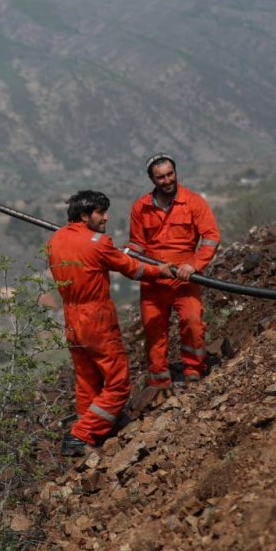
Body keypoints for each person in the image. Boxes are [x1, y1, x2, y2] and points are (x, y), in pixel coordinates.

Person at [47, 190, 172, 457]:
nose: (106, 217)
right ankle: (80, 434)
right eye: (100, 213)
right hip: (96, 318)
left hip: (70, 318)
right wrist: (159, 271)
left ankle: (98, 427)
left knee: (87, 380)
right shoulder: (98, 243)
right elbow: (132, 268)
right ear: (84, 216)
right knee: (118, 383)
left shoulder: (55, 240)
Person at [127, 153, 220, 391]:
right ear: (151, 179)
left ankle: (193, 370)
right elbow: (137, 243)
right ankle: (159, 381)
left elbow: (210, 238)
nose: (167, 180)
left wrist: (194, 265)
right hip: (153, 278)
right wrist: (127, 254)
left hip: (184, 277)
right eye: (161, 177)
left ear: (176, 173)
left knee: (192, 321)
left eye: (170, 174)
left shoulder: (194, 202)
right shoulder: (141, 207)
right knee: (154, 330)